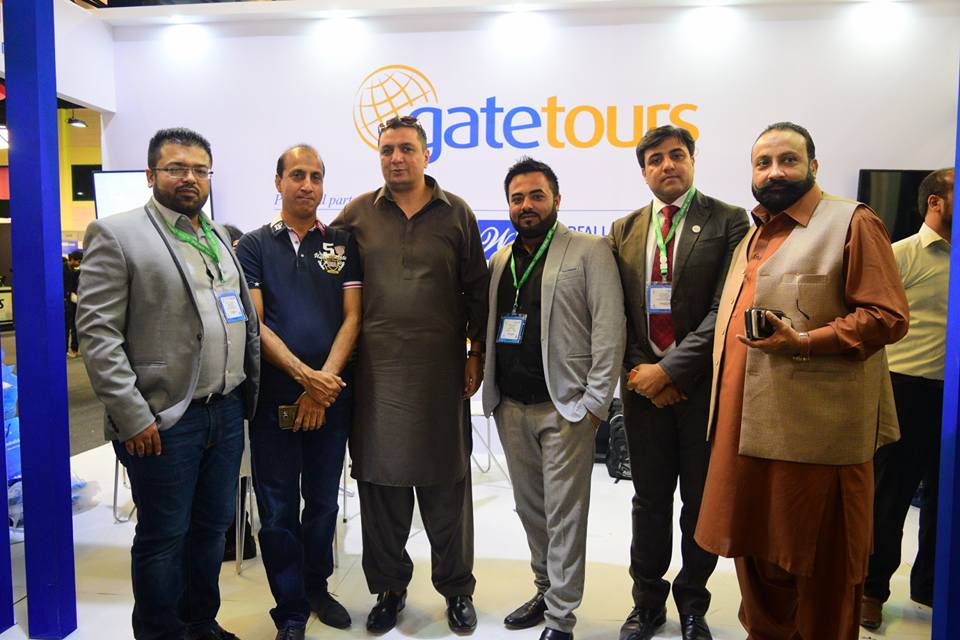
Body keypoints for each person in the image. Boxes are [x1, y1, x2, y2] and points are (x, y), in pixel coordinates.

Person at [694, 122, 909, 639]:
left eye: (788, 160)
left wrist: (807, 341)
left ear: (813, 166)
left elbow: (887, 316)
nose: (774, 172)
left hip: (816, 441)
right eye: (763, 163)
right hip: (745, 436)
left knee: (823, 577)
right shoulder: (753, 235)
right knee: (757, 565)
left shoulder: (852, 222)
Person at [77, 127, 260, 640]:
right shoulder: (117, 234)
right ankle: (161, 633)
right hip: (163, 419)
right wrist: (133, 415)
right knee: (163, 539)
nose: (189, 178)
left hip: (225, 411)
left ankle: (200, 624)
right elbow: (98, 335)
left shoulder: (217, 234)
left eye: (200, 169)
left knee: (212, 529)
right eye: (176, 168)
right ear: (151, 174)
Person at [330, 115, 489, 634]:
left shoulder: (456, 213)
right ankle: (389, 588)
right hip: (376, 378)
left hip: (440, 375)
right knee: (380, 488)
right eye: (387, 150)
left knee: (447, 486)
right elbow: (331, 286)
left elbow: (477, 292)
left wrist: (475, 354)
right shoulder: (356, 214)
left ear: (426, 154)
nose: (396, 158)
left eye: (405, 148)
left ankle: (457, 589)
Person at [608, 125, 749, 640]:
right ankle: (646, 603)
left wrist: (671, 370)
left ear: (692, 160)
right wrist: (642, 373)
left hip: (701, 389)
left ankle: (693, 603)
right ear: (643, 171)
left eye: (676, 155)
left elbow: (725, 307)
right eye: (655, 160)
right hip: (642, 388)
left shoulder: (729, 220)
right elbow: (617, 313)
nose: (667, 165)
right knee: (648, 501)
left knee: (698, 500)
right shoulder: (623, 229)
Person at [482, 157, 625, 640]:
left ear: (557, 200)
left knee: (565, 516)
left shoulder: (589, 250)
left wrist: (595, 405)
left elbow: (609, 329)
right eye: (517, 198)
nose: (526, 205)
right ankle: (545, 590)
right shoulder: (500, 261)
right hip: (510, 407)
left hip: (566, 408)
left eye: (536, 196)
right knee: (531, 511)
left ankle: (561, 617)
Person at [236, 145, 361, 640]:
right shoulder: (253, 246)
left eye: (315, 176)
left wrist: (322, 385)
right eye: (297, 175)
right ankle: (289, 607)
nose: (307, 184)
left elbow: (353, 317)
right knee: (277, 510)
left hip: (331, 399)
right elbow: (256, 323)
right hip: (275, 401)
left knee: (324, 503)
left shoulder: (342, 244)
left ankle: (317, 587)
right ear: (278, 182)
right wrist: (306, 378)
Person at [861, 167, 953, 629]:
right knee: (890, 498)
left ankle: (932, 587)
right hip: (906, 390)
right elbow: (871, 321)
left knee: (946, 497)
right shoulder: (900, 255)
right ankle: (871, 590)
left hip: (953, 396)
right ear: (936, 202)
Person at [64, 249, 83, 357]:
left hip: (74, 301)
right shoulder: (62, 269)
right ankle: (65, 350)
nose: (78, 264)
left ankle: (74, 349)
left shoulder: (75, 271)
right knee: (66, 327)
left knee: (75, 326)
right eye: (78, 261)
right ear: (72, 259)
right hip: (66, 302)